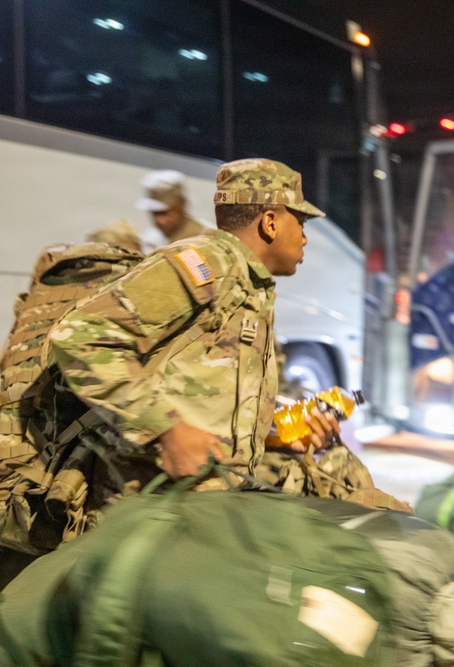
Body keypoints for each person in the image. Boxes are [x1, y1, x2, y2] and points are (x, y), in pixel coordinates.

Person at [50, 158, 339, 503]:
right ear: (271, 223)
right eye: (301, 221)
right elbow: (80, 334)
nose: (305, 238)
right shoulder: (206, 265)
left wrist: (275, 436)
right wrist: (168, 428)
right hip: (149, 507)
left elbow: (202, 394)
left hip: (203, 504)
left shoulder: (249, 284)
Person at [135, 169, 209, 253]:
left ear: (182, 204)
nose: (159, 221)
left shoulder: (206, 239)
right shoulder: (150, 239)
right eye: (154, 213)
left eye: (164, 213)